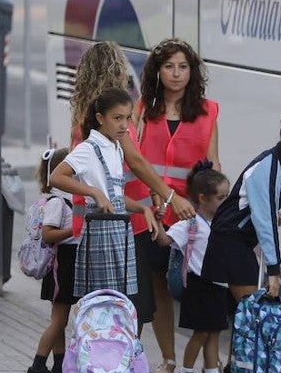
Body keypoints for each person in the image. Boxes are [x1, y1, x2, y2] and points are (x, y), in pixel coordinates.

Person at [67, 40, 194, 344]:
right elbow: (135, 161)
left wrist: (148, 201)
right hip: (116, 223)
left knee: (112, 299)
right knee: (130, 300)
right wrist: (170, 195)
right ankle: (123, 365)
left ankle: (112, 364)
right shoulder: (111, 119)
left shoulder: (89, 116)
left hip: (111, 217)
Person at [130, 37, 220, 373]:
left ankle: (205, 360)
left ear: (192, 71)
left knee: (199, 287)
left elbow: (212, 166)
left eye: (183, 66)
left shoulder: (208, 111)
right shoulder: (143, 109)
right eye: (169, 66)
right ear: (157, 70)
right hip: (153, 212)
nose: (176, 73)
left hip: (191, 215)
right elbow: (135, 161)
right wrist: (152, 196)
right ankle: (168, 359)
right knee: (159, 287)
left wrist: (210, 211)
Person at [204, 106, 281, 304]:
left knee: (226, 325)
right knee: (254, 316)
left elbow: (257, 209)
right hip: (232, 243)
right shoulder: (270, 169)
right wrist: (274, 271)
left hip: (230, 240)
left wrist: (273, 215)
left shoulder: (273, 164)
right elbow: (264, 221)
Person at [49, 88, 159, 300]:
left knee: (120, 299)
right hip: (100, 233)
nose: (124, 125)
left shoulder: (116, 147)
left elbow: (114, 197)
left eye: (128, 118)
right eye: (117, 118)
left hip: (118, 230)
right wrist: (92, 191)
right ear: (100, 118)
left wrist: (142, 208)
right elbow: (56, 177)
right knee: (101, 299)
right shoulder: (89, 148)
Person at [152, 163, 231, 373]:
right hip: (198, 285)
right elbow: (165, 241)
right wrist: (158, 220)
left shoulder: (221, 222)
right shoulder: (190, 224)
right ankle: (186, 372)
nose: (226, 202)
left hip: (217, 284)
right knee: (202, 331)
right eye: (221, 197)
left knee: (215, 329)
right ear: (203, 198)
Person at [27, 147, 73, 373]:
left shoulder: (68, 199)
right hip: (62, 265)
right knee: (59, 321)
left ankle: (59, 365)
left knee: (60, 320)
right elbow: (48, 234)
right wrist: (74, 230)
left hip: (68, 264)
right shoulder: (58, 202)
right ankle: (37, 364)